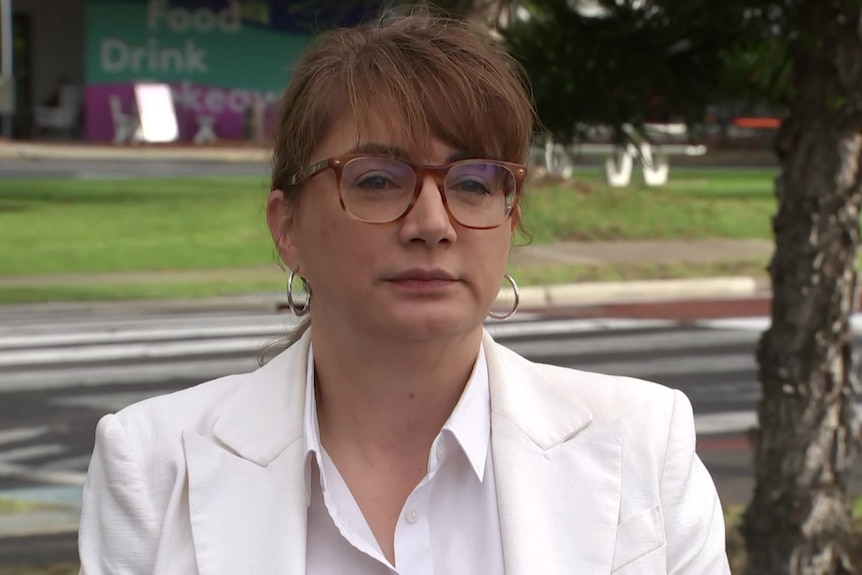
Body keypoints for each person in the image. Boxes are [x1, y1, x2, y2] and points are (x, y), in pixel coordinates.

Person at [77, 8, 731, 575]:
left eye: (474, 183)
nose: (431, 223)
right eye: (378, 179)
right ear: (288, 227)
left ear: (510, 217)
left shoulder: (642, 448)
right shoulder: (154, 465)